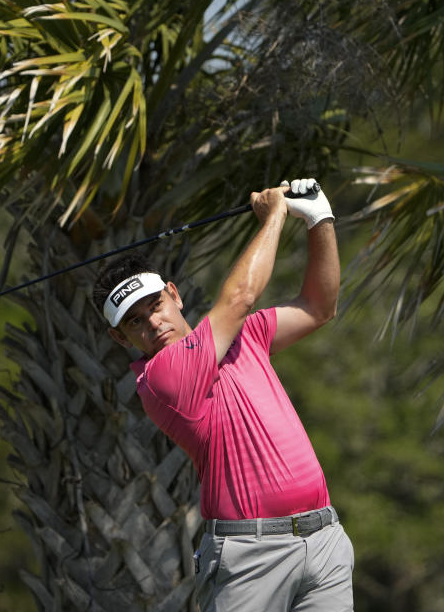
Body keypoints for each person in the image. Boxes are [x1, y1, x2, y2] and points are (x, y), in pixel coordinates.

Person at [91, 179, 352, 611]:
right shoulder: (162, 378)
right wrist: (274, 217)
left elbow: (318, 306)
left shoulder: (245, 338)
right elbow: (240, 296)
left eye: (154, 305)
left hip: (323, 541)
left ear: (173, 294)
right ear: (121, 339)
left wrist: (319, 219)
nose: (152, 324)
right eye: (135, 323)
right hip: (250, 558)